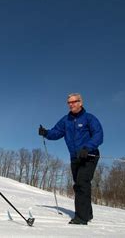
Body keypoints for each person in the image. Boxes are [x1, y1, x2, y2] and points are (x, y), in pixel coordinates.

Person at [39, 93, 103, 225]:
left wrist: (87, 147)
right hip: (75, 158)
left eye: (74, 102)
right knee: (79, 185)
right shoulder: (66, 120)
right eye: (69, 102)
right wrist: (46, 133)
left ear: (80, 102)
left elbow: (98, 135)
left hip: (89, 156)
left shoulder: (89, 118)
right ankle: (88, 213)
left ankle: (81, 217)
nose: (71, 104)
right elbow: (56, 132)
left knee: (82, 183)